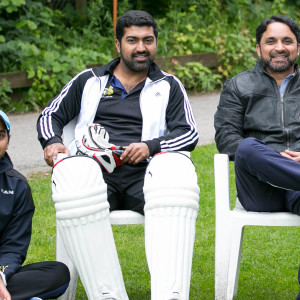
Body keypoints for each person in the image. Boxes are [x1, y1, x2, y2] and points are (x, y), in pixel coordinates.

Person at [37, 10, 199, 300]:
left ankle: (170, 295)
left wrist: (151, 146)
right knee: (74, 180)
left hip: (146, 175)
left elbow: (188, 133)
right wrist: (52, 141)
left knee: (176, 180)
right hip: (95, 173)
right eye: (132, 40)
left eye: (148, 40)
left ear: (156, 43)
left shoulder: (169, 85)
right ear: (117, 45)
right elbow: (50, 115)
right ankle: (108, 295)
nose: (141, 47)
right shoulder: (89, 80)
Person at [214, 15, 300, 299]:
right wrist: (277, 157)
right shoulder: (238, 86)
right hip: (259, 187)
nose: (280, 47)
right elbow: (227, 140)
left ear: (297, 47)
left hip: (296, 189)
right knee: (249, 146)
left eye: (287, 41)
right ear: (259, 48)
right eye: (271, 41)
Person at [0, 110, 70, 300]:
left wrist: (0, 275)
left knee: (58, 273)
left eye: (0, 135)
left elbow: (13, 248)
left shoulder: (17, 186)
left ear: (8, 140)